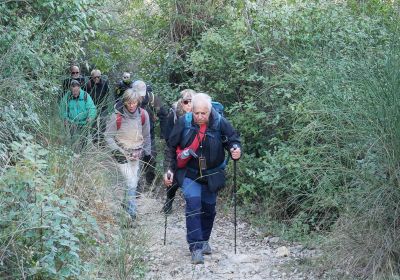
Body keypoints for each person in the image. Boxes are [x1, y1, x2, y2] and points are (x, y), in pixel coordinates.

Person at [163, 93, 241, 264]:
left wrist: (236, 149)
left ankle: (204, 239)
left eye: (203, 113)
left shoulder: (220, 122)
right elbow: (171, 146)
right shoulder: (184, 122)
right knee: (193, 204)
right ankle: (196, 247)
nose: (199, 117)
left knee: (209, 209)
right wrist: (169, 170)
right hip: (189, 173)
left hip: (212, 174)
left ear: (210, 110)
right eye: (196, 113)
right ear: (192, 109)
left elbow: (233, 140)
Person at [105, 83, 151, 221]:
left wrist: (147, 153)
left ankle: (126, 204)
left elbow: (147, 135)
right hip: (122, 154)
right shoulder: (116, 117)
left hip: (136, 154)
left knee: (133, 182)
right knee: (131, 182)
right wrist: (117, 151)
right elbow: (107, 135)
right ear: (124, 102)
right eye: (129, 103)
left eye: (134, 102)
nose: (131, 106)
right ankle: (132, 213)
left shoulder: (143, 115)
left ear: (138, 102)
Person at [162, 89, 196, 214]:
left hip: (192, 151)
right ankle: (169, 201)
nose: (189, 105)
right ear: (181, 102)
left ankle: (193, 204)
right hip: (176, 150)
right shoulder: (174, 115)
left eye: (192, 102)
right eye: (186, 102)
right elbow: (168, 138)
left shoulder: (199, 115)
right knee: (172, 178)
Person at [138, 82, 169, 185]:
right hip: (132, 134)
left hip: (148, 134)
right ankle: (134, 186)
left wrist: (163, 134)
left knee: (151, 158)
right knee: (134, 160)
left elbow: (164, 114)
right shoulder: (129, 98)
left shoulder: (152, 98)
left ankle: (149, 182)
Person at [59, 79, 97, 152]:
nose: (75, 93)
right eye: (73, 91)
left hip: (84, 122)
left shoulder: (85, 95)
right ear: (70, 89)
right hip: (72, 122)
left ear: (79, 88)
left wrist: (90, 117)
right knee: (73, 138)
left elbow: (92, 108)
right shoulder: (67, 96)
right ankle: (74, 153)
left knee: (83, 139)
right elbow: (62, 108)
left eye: (76, 91)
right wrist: (65, 118)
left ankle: (83, 154)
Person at [85, 69, 110, 146]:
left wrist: (104, 103)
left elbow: (107, 93)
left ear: (100, 76)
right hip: (92, 107)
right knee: (94, 123)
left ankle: (101, 139)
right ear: (91, 77)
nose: (96, 79)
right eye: (94, 77)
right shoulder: (88, 84)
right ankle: (95, 140)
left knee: (103, 121)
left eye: (98, 77)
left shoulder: (104, 83)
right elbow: (86, 95)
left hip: (103, 106)